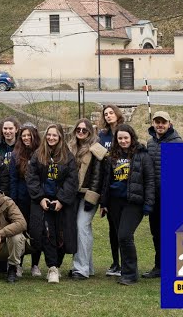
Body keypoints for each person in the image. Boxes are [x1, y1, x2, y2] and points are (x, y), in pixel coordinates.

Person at [100, 124, 155, 286]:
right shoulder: (112, 156)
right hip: (114, 202)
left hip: (133, 202)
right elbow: (106, 181)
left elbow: (149, 181)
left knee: (125, 235)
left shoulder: (142, 155)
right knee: (120, 237)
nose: (123, 141)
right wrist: (104, 202)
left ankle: (130, 274)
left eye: (126, 138)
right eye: (120, 138)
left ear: (132, 137)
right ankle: (126, 271)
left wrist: (148, 204)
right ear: (116, 140)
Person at [27, 123, 78, 284]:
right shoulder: (38, 155)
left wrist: (61, 200)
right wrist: (40, 198)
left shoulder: (68, 157)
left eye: (55, 135)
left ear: (60, 137)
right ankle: (52, 267)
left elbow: (72, 180)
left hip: (61, 202)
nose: (51, 137)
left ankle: (57, 264)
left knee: (61, 234)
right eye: (49, 135)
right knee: (47, 234)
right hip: (43, 201)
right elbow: (32, 177)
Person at [143, 111, 183, 279]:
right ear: (153, 123)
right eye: (157, 122)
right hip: (154, 196)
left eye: (163, 122)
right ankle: (159, 266)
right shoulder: (150, 143)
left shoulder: (177, 142)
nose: (160, 125)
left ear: (169, 124)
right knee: (156, 232)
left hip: (171, 196)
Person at [67, 119, 107, 280]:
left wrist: (93, 197)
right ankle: (87, 267)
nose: (81, 132)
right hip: (74, 194)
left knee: (81, 226)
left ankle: (81, 268)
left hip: (89, 194)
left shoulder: (97, 148)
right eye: (78, 129)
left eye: (84, 130)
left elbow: (98, 175)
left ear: (90, 131)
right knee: (82, 229)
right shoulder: (71, 147)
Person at [1, 123, 42, 278]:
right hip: (21, 198)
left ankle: (35, 264)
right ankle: (18, 264)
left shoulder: (41, 153)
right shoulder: (15, 155)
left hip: (37, 198)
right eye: (23, 135)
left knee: (36, 231)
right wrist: (13, 200)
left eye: (28, 135)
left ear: (34, 136)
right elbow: (13, 179)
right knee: (21, 232)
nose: (26, 138)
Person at [97, 104, 124, 276]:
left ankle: (125, 263)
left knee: (123, 229)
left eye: (111, 113)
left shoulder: (124, 131)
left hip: (122, 182)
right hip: (107, 184)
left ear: (117, 114)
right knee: (112, 228)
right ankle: (115, 263)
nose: (108, 116)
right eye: (106, 114)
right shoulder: (102, 135)